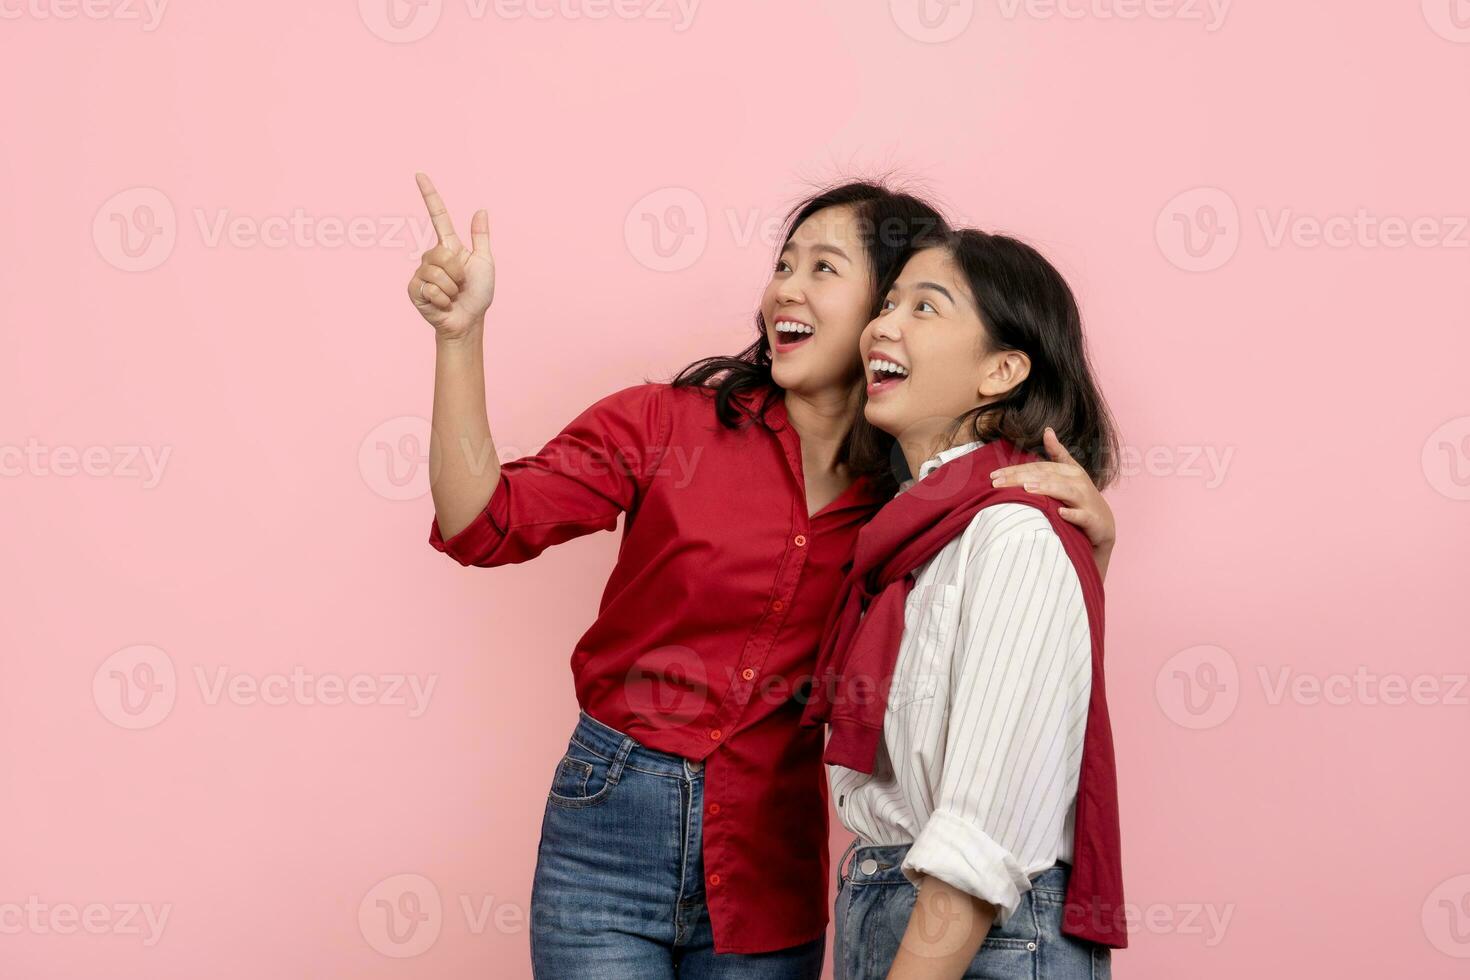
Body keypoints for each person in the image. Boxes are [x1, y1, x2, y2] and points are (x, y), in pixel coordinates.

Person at [408, 174, 1117, 978]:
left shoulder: (918, 504)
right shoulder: (663, 425)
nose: (787, 285)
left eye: (824, 268)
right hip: (608, 832)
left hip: (769, 858)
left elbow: (1002, 653)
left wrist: (1089, 552)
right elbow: (481, 523)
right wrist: (458, 340)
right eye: (785, 264)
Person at [807, 228, 1127, 979]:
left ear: (1003, 370)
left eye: (926, 308)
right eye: (887, 303)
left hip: (974, 935)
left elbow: (981, 839)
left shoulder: (1013, 533)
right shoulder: (916, 538)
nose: (882, 326)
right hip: (893, 906)